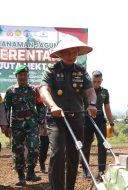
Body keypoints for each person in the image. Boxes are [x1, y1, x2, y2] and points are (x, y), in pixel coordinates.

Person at [40, 38, 97, 190]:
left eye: (74, 52)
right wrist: (52, 106)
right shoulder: (51, 70)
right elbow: (44, 90)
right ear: (60, 53)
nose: (71, 55)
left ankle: (69, 187)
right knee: (58, 153)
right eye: (67, 52)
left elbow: (90, 91)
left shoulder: (81, 71)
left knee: (74, 154)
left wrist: (92, 104)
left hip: (77, 117)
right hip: (57, 118)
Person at [4, 64, 46, 186]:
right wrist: (6, 125)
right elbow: (6, 109)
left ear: (28, 76)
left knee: (34, 148)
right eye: (20, 75)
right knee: (18, 150)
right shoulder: (10, 91)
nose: (23, 77)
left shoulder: (34, 90)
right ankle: (21, 176)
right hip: (16, 125)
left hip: (32, 124)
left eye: (25, 75)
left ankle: (31, 173)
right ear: (16, 76)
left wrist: (41, 120)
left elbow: (40, 106)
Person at [82, 70, 114, 179]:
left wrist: (112, 123)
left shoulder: (105, 92)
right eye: (94, 81)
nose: (96, 84)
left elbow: (107, 108)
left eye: (98, 82)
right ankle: (85, 170)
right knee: (86, 145)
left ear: (102, 81)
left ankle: (101, 171)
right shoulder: (85, 90)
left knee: (102, 144)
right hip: (86, 119)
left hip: (100, 119)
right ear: (91, 80)